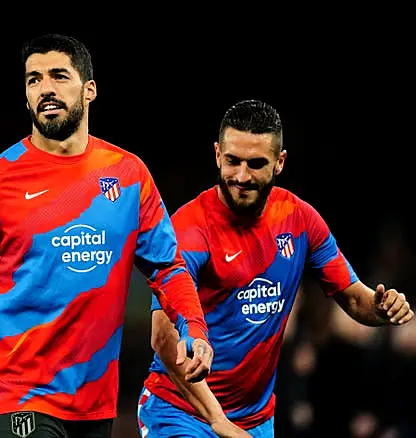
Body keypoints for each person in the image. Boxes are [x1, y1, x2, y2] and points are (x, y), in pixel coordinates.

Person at [0, 33, 214, 438]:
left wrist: (194, 327)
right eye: (34, 80)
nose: (45, 88)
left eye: (58, 76)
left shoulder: (128, 175)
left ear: (90, 90)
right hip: (18, 391)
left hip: (94, 397)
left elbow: (167, 267)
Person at [136, 99, 414, 437]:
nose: (241, 176)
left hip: (255, 420)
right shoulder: (190, 229)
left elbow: (355, 299)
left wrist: (382, 307)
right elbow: (163, 339)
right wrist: (217, 419)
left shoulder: (300, 220)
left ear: (279, 162)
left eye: (256, 164)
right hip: (180, 412)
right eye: (232, 161)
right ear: (217, 155)